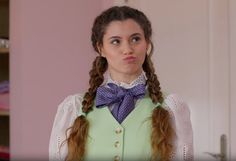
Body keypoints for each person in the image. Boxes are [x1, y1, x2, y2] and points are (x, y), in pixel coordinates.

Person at [49, 5, 193, 161]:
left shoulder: (171, 107)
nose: (127, 49)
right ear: (101, 48)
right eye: (116, 41)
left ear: (147, 44)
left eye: (136, 39)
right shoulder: (74, 108)